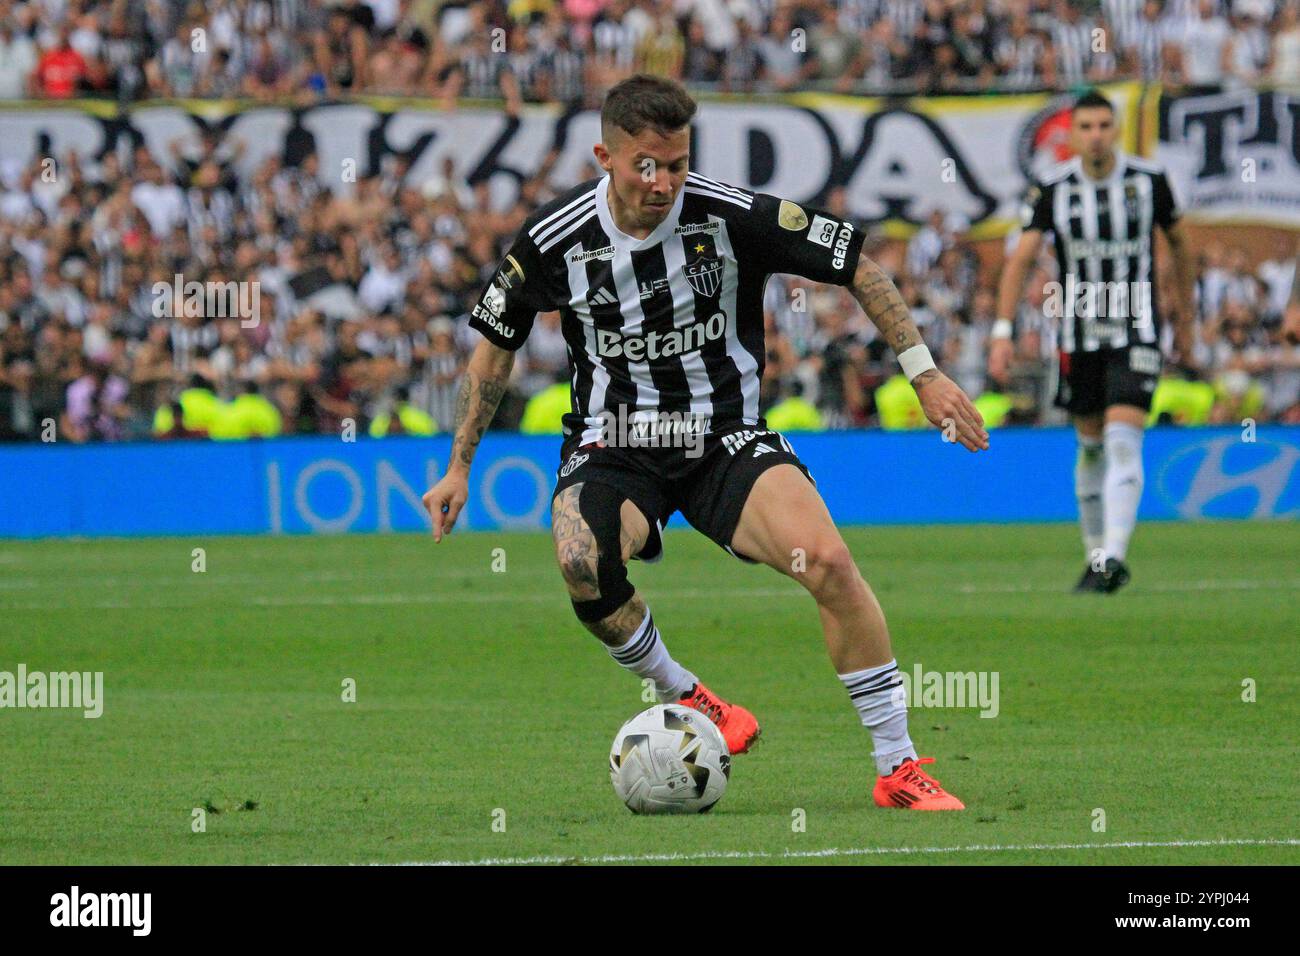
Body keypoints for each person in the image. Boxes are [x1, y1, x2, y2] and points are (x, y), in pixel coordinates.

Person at [422, 75, 987, 811]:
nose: (662, 183)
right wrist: (460, 465)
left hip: (723, 437)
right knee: (580, 562)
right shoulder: (553, 241)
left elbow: (857, 264)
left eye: (677, 164)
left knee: (828, 561)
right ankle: (685, 692)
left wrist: (924, 373)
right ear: (606, 157)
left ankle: (897, 765)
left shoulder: (733, 215)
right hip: (615, 441)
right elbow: (493, 348)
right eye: (645, 166)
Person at [991, 89, 1197, 594]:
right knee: (1089, 450)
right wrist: (1002, 332)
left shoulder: (1149, 181)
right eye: (1086, 127)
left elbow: (1181, 243)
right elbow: (1020, 260)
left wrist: (1185, 318)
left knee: (1124, 441)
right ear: (1073, 135)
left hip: (1137, 327)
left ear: (1116, 130)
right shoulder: (1053, 187)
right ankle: (1096, 555)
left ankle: (1114, 560)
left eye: (1104, 125)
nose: (1096, 135)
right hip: (1078, 332)